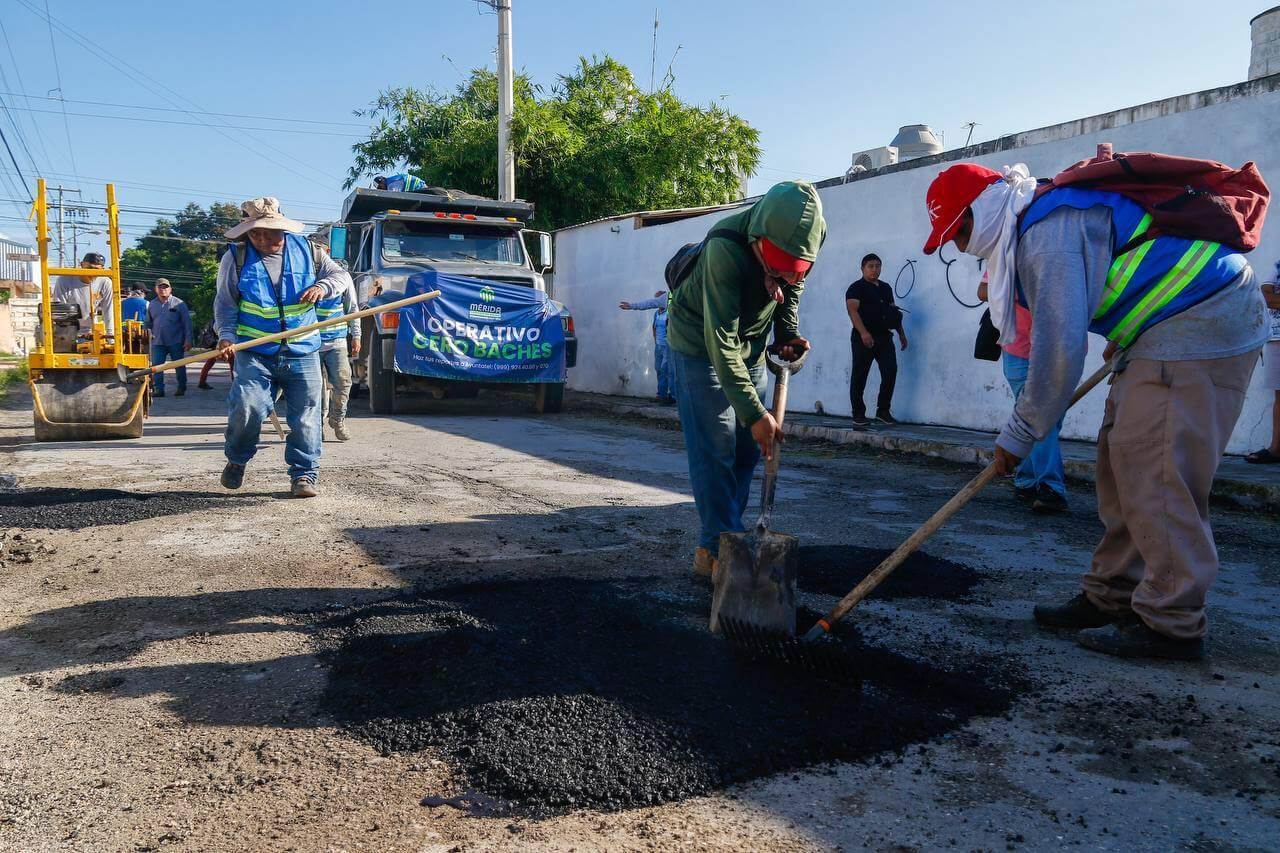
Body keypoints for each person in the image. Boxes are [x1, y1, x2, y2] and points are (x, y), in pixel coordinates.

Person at [923, 161, 1267, 661]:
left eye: (960, 230)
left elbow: (1058, 353)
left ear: (984, 208)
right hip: (1159, 330)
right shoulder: (1035, 225)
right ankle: (1112, 595)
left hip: (1203, 324)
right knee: (1118, 459)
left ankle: (1171, 622)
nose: (958, 245)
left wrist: (1019, 436)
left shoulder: (1046, 234)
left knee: (1156, 470)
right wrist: (1128, 325)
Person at [666, 180, 826, 579]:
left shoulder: (810, 239)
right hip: (699, 343)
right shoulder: (724, 248)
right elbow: (720, 343)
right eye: (775, 268)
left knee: (746, 451)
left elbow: (795, 286)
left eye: (791, 269)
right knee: (715, 448)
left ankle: (718, 545)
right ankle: (722, 546)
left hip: (751, 347)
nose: (783, 277)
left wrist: (787, 333)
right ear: (758, 238)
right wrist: (756, 413)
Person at [214, 197, 354, 498]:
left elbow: (340, 276)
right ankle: (237, 460)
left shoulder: (310, 251)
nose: (263, 239)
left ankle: (304, 475)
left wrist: (322, 287)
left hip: (303, 350)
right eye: (255, 233)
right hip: (255, 352)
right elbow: (225, 305)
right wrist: (226, 337)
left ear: (283, 228)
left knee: (306, 416)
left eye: (270, 232)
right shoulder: (236, 258)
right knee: (247, 407)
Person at [977, 272, 1067, 513]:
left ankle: (1026, 478)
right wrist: (1019, 289)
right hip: (1018, 347)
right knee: (1038, 418)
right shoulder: (1005, 254)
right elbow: (982, 291)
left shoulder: (1062, 253)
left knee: (1048, 419)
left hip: (1057, 346)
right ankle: (1050, 487)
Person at [845, 253, 907, 426]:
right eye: (870, 266)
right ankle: (858, 414)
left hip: (884, 337)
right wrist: (864, 333)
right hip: (863, 338)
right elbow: (853, 311)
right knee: (860, 376)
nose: (874, 269)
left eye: (877, 266)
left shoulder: (886, 288)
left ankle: (883, 411)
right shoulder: (856, 287)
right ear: (863, 268)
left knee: (890, 371)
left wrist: (901, 333)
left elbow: (893, 312)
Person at [316, 271, 360, 441]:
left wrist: (356, 336)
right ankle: (316, 426)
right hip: (310, 343)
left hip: (337, 342)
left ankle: (337, 419)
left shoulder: (342, 277)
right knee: (314, 389)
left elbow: (353, 309)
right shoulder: (305, 274)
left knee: (343, 382)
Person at [1244, 263, 1280, 464]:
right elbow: (1266, 297)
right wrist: (1272, 298)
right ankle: (1276, 449)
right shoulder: (1278, 265)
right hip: (1276, 337)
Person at [619, 290, 675, 404]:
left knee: (666, 370)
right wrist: (655, 341)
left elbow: (647, 304)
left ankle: (672, 397)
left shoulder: (669, 311)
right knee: (659, 369)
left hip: (668, 346)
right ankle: (661, 395)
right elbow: (654, 327)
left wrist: (631, 306)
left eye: (658, 299)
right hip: (659, 346)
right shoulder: (657, 313)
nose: (656, 301)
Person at [144, 278, 193, 397]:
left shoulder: (179, 303)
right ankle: (159, 390)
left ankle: (182, 387)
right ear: (156, 290)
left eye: (166, 287)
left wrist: (188, 339)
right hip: (158, 341)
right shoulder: (152, 304)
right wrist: (146, 335)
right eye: (160, 287)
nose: (163, 290)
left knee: (179, 365)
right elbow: (147, 323)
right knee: (157, 366)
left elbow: (187, 323)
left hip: (176, 341)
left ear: (170, 289)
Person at [50, 252, 113, 335]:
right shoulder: (65, 280)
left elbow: (108, 311)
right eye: (89, 268)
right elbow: (60, 312)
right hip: (69, 330)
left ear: (102, 270)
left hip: (92, 330)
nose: (92, 273)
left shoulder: (105, 282)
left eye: (96, 270)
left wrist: (111, 337)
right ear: (82, 265)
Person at [196, 322, 232, 390]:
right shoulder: (222, 318)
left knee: (209, 363)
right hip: (221, 343)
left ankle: (202, 381)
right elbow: (217, 329)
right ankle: (234, 383)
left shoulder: (218, 317)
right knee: (232, 363)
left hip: (219, 342)